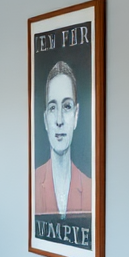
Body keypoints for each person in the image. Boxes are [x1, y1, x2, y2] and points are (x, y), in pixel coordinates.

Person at [34, 60, 91, 215]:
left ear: (76, 115)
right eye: (53, 108)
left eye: (67, 106)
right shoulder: (32, 183)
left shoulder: (90, 189)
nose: (59, 120)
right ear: (46, 119)